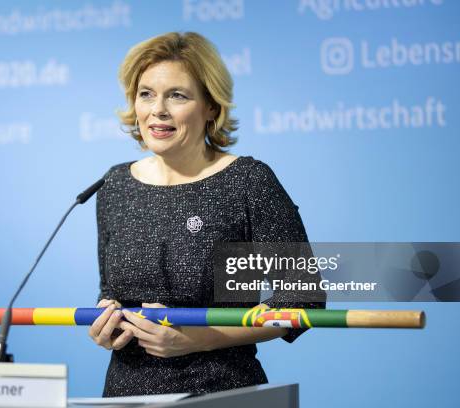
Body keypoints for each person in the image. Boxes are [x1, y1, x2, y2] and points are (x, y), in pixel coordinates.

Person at [88, 32, 325, 397]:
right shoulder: (116, 184)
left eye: (177, 95)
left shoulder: (248, 180)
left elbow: (303, 298)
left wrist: (199, 339)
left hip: (222, 390)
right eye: (146, 93)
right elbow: (111, 293)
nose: (158, 109)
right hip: (126, 393)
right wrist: (107, 323)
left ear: (211, 107)